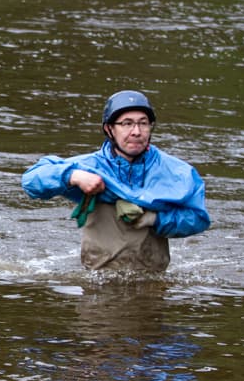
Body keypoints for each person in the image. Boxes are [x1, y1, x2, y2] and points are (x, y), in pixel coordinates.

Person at [21, 90, 210, 271]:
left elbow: (199, 219)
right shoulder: (89, 166)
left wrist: (154, 218)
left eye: (143, 123)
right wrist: (73, 176)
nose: (136, 131)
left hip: (152, 276)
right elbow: (31, 181)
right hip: (96, 275)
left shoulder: (177, 171)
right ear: (109, 129)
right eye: (127, 123)